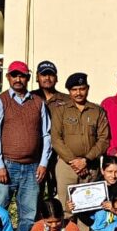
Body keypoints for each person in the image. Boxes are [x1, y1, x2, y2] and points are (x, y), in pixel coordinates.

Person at [0, 60, 53, 231]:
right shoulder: (0, 101)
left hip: (32, 168)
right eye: (14, 75)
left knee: (29, 215)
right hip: (7, 166)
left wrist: (43, 163)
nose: (18, 79)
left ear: (28, 78)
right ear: (8, 77)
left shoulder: (38, 102)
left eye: (22, 76)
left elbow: (46, 135)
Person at [50, 72, 111, 231]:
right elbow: (56, 139)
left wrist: (85, 160)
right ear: (69, 91)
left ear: (87, 89)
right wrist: (73, 161)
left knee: (86, 207)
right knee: (66, 207)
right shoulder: (61, 111)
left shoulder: (97, 111)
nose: (78, 93)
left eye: (82, 89)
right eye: (74, 89)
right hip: (66, 166)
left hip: (90, 167)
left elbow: (104, 139)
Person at [30, 60, 68, 201]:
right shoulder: (30, 97)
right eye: (43, 75)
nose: (47, 78)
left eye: (51, 75)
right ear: (37, 77)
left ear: (56, 78)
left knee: (58, 193)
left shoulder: (66, 100)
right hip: (36, 154)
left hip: (59, 154)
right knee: (35, 193)